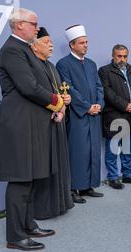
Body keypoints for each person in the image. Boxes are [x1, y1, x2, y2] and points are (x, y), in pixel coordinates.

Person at [0, 9, 60, 251]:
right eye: (34, 24)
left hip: (32, 121)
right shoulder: (13, 50)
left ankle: (28, 225)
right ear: (20, 25)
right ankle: (15, 235)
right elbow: (29, 87)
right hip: (19, 123)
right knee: (20, 179)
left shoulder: (25, 49)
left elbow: (38, 84)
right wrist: (57, 102)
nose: (37, 27)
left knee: (31, 177)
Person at [56, 25, 105, 203]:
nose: (86, 45)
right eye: (82, 43)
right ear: (72, 45)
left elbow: (99, 87)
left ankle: (87, 186)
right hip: (78, 116)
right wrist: (86, 107)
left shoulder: (91, 64)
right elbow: (69, 88)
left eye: (87, 42)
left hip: (94, 115)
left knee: (92, 151)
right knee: (78, 152)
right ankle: (74, 188)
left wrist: (99, 104)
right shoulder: (63, 64)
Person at [30, 27, 74, 219]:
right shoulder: (32, 67)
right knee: (44, 165)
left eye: (51, 41)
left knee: (59, 163)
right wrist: (58, 105)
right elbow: (34, 93)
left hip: (57, 122)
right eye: (46, 42)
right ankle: (44, 208)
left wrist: (66, 102)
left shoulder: (51, 66)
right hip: (42, 124)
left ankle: (60, 203)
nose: (51, 45)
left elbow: (59, 92)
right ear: (34, 45)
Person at [98, 45, 131, 189]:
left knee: (128, 148)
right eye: (119, 56)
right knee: (112, 149)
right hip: (114, 115)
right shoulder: (105, 71)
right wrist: (125, 105)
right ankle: (112, 177)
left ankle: (127, 175)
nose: (122, 59)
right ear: (113, 55)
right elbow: (107, 92)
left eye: (125, 56)